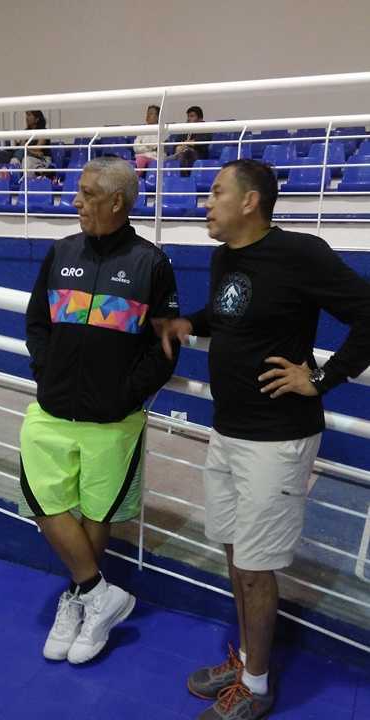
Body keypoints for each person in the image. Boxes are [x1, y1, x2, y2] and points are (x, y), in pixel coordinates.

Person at [158, 159, 370, 720]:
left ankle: (256, 686)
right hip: (228, 430)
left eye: (216, 192)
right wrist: (190, 323)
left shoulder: (301, 253)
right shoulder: (226, 256)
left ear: (250, 201)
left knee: (255, 568)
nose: (205, 203)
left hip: (277, 441)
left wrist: (321, 378)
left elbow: (368, 313)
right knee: (236, 552)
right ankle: (249, 661)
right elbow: (229, 312)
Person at [19, 157, 179, 665]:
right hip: (52, 408)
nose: (76, 202)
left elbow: (164, 348)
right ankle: (97, 591)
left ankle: (81, 602)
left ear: (116, 201)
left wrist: (124, 395)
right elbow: (37, 322)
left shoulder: (152, 264)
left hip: (113, 420)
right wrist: (46, 371)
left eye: (87, 194)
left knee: (96, 510)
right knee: (41, 499)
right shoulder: (61, 251)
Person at [133, 104, 163, 173]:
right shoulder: (142, 130)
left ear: (158, 117)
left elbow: (156, 146)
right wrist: (149, 148)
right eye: (148, 113)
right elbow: (136, 147)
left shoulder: (161, 130)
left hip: (155, 158)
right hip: (141, 157)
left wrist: (144, 146)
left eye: (151, 113)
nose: (148, 115)